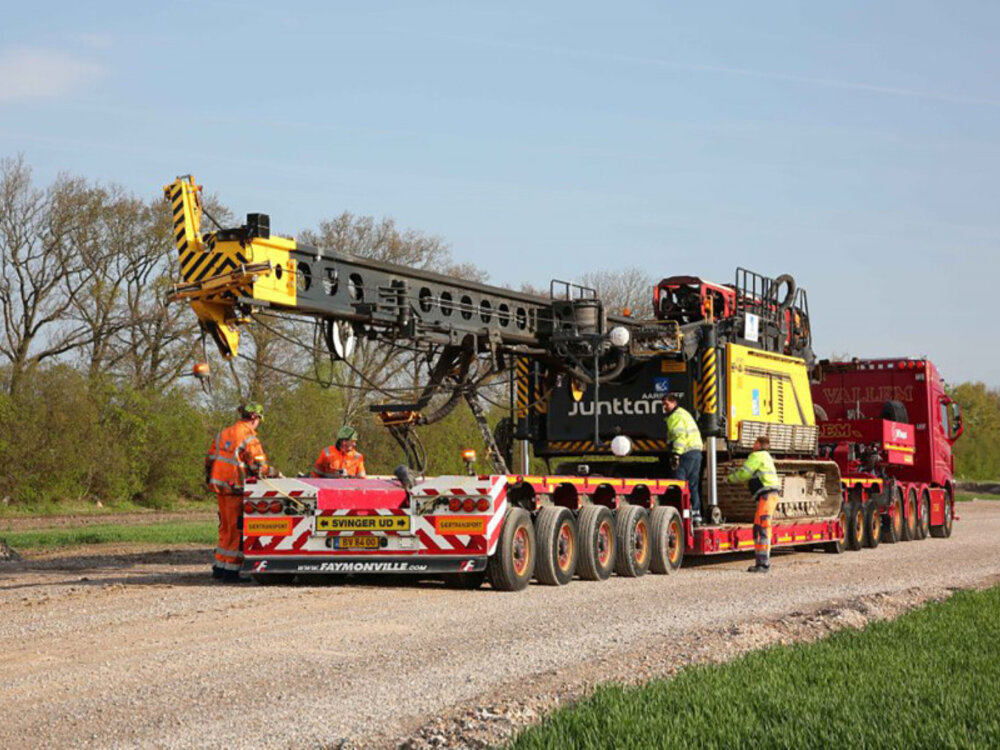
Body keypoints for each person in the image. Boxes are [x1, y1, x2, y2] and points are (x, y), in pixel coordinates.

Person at [205, 402, 275, 583]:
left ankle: (220, 567)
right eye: (259, 419)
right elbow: (258, 465)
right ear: (254, 417)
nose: (258, 423)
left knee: (225, 528)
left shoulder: (224, 433)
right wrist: (271, 472)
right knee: (236, 530)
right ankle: (232, 572)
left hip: (220, 488)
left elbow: (210, 458)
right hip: (236, 488)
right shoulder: (248, 437)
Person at [727, 436, 782, 573]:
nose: (753, 444)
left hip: (767, 495)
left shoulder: (756, 456)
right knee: (758, 528)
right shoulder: (766, 456)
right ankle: (760, 563)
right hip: (768, 495)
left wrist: (730, 478)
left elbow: (745, 473)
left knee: (762, 529)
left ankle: (763, 564)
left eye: (754, 442)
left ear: (758, 444)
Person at [662, 392, 704, 524]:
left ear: (674, 403)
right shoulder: (684, 414)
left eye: (666, 404)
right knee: (692, 485)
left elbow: (680, 437)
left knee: (679, 485)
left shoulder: (675, 416)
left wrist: (676, 454)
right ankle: (696, 516)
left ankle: (681, 514)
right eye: (663, 404)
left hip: (685, 454)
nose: (664, 407)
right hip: (695, 453)